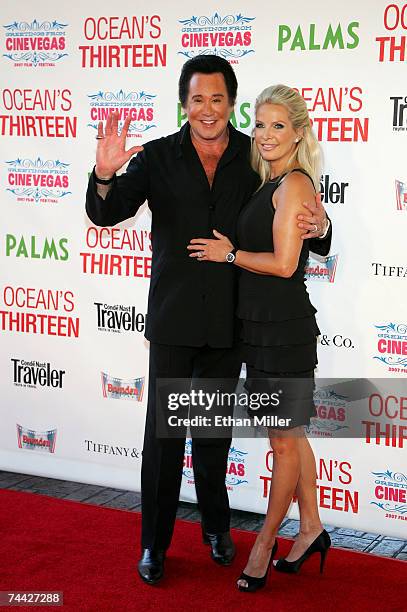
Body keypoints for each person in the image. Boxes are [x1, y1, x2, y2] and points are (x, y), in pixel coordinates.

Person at [85, 57, 331, 586]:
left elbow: (294, 207)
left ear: (231, 103)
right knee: (164, 438)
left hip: (229, 325)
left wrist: (324, 223)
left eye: (218, 99)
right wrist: (105, 174)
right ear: (184, 104)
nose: (208, 109)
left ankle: (218, 530)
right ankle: (154, 543)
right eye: (198, 99)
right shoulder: (155, 157)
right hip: (173, 323)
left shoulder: (255, 152)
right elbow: (108, 213)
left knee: (213, 437)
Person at [187, 84, 331, 593]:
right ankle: (311, 528)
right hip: (261, 328)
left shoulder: (292, 183)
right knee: (290, 436)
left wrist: (229, 255)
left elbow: (286, 263)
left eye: (277, 126)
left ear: (297, 133)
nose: (266, 135)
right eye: (261, 124)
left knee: (282, 439)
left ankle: (266, 540)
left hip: (283, 332)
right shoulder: (265, 180)